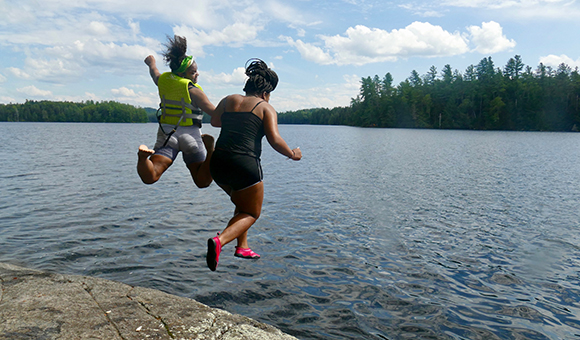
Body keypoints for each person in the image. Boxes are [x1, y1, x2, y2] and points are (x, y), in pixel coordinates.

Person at [206, 58, 302, 271]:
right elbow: (275, 140)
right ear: (266, 93)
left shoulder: (229, 99)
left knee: (242, 203)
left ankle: (243, 246)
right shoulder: (265, 107)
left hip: (218, 164)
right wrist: (292, 154)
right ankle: (219, 241)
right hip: (245, 164)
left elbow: (214, 121)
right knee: (251, 213)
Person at [137, 35, 215, 188]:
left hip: (167, 134)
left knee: (151, 176)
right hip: (191, 136)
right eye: (193, 72)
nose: (197, 74)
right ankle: (211, 150)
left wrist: (151, 62)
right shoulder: (193, 90)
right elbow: (214, 111)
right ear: (181, 75)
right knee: (202, 181)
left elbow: (154, 72)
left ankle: (142, 158)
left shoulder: (163, 81)